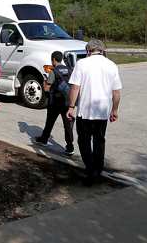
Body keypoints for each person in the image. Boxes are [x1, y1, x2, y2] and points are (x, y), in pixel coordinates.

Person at [66, 39, 122, 185]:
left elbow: (74, 88)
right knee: (99, 141)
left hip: (85, 111)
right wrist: (114, 110)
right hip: (102, 112)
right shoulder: (112, 65)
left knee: (84, 141)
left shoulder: (82, 64)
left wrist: (71, 107)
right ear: (102, 50)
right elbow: (116, 92)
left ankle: (90, 169)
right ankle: (98, 169)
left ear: (88, 51)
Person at [35, 51, 74, 155]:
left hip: (55, 102)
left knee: (50, 121)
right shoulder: (69, 70)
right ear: (61, 59)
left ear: (53, 60)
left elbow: (47, 88)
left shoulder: (53, 71)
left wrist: (44, 82)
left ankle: (44, 139)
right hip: (66, 101)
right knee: (67, 124)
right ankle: (70, 147)